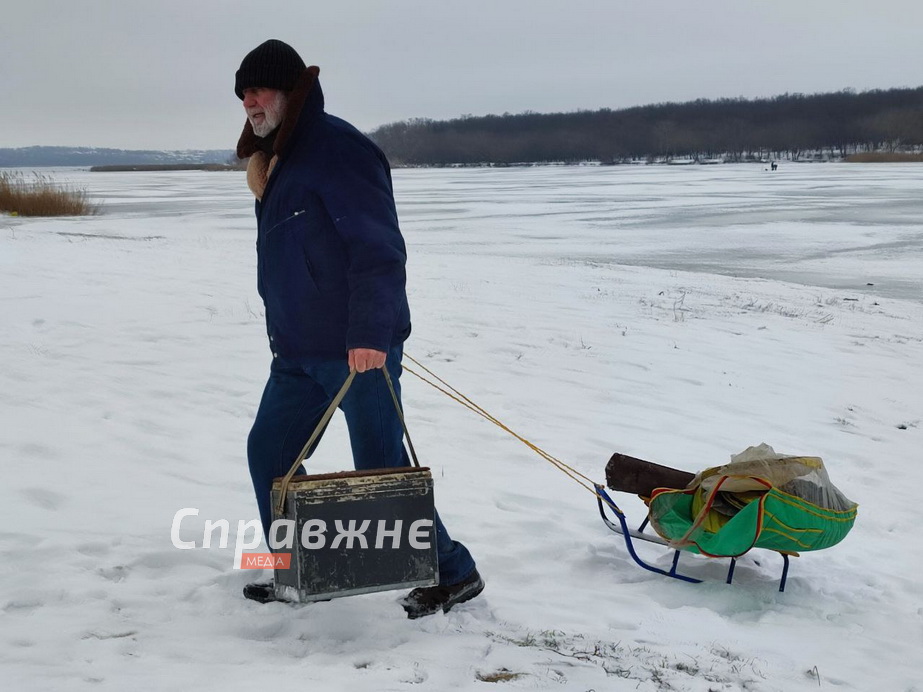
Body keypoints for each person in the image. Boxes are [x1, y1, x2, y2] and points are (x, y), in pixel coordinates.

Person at [234, 39, 483, 618]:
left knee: (382, 471)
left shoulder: (336, 149)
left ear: (291, 91)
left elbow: (377, 249)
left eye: (260, 89)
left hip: (356, 352)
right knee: (269, 452)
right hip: (296, 354)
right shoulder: (278, 160)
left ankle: (456, 572)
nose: (250, 101)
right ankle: (293, 567)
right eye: (243, 92)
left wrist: (370, 333)